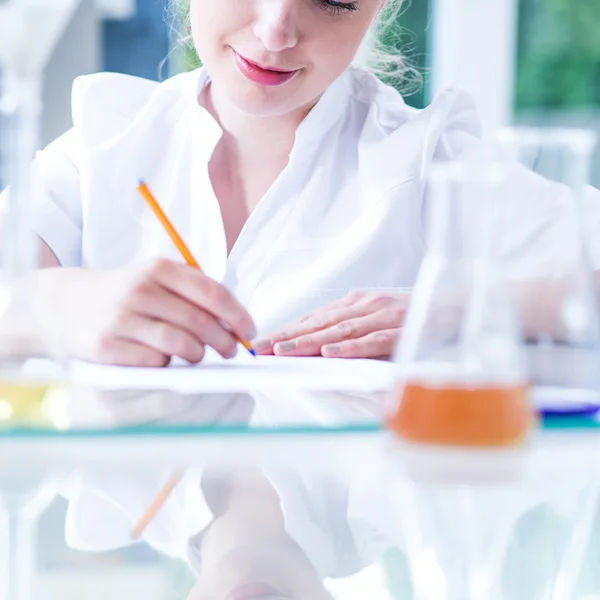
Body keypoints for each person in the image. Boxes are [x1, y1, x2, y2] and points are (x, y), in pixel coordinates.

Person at [3, 0, 600, 366]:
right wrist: (54, 305)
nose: (277, 29)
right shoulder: (104, 145)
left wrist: (461, 312)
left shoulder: (424, 164)